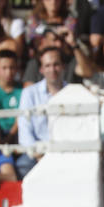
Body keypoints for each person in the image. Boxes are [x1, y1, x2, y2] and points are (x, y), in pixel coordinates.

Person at [15, 44, 67, 176]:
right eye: (47, 66)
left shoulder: (73, 92)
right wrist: (38, 156)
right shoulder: (29, 93)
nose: (52, 69)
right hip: (37, 152)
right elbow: (24, 130)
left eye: (56, 64)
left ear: (63, 66)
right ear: (41, 69)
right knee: (23, 165)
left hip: (66, 152)